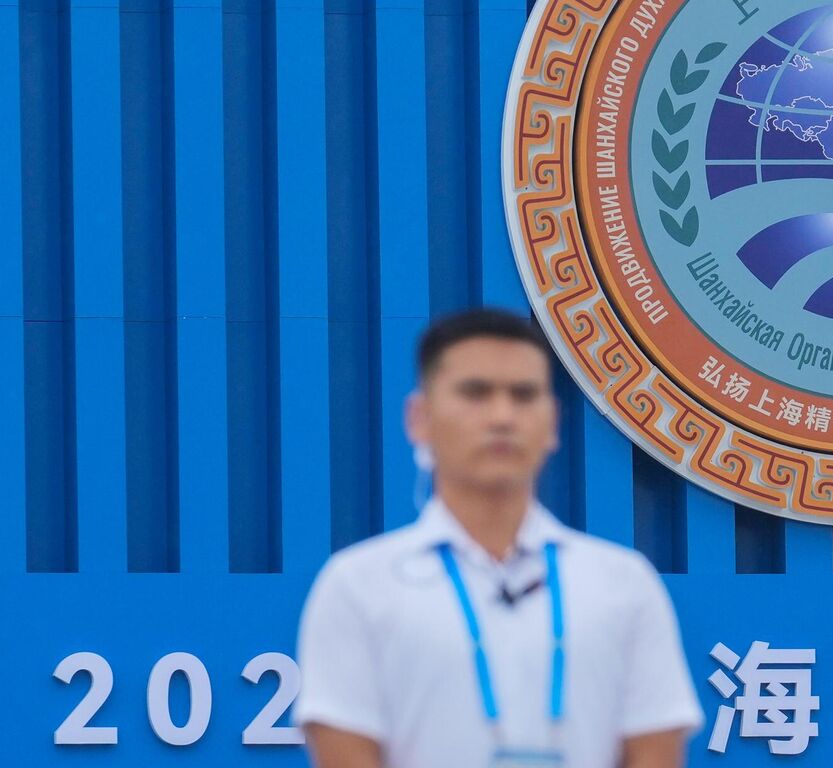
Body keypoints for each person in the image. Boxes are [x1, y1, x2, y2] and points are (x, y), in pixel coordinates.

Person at [294, 308, 702, 767]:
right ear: (419, 418)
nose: (503, 416)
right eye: (476, 393)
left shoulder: (623, 583)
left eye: (524, 396)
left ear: (552, 423)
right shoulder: (358, 585)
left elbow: (655, 752)